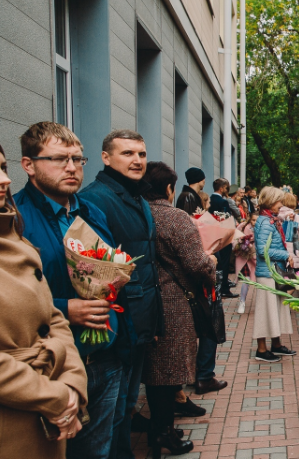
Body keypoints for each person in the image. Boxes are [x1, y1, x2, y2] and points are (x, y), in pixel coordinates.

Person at [14, 122, 126, 459]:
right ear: (28, 165)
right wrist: (65, 308)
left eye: (78, 159)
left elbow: (107, 271)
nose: (71, 167)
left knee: (98, 452)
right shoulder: (16, 218)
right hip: (53, 364)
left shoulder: (91, 211)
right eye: (59, 159)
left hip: (105, 355)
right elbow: (13, 297)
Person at [78, 130, 164, 459]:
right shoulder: (96, 198)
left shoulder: (138, 197)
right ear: (106, 157)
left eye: (141, 154)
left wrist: (153, 324)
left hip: (140, 321)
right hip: (117, 323)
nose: (137, 160)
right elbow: (99, 273)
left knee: (127, 407)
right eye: (127, 153)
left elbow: (147, 265)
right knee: (112, 416)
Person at [0, 143, 89, 458]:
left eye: (2, 168)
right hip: (14, 417)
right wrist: (55, 397)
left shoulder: (17, 238)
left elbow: (52, 319)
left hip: (53, 398)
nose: (4, 180)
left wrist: (72, 383)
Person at [142, 162, 216, 457]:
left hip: (146, 298)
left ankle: (162, 428)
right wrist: (210, 262)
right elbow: (195, 263)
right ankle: (163, 433)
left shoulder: (137, 213)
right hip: (174, 301)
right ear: (169, 189)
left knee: (155, 370)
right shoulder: (174, 217)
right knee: (168, 371)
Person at [253, 187, 296, 363]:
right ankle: (261, 350)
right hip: (267, 272)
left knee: (275, 308)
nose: (281, 204)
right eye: (279, 201)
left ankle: (276, 345)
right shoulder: (265, 222)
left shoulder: (270, 220)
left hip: (273, 271)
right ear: (271, 201)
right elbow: (263, 251)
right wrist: (286, 255)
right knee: (265, 311)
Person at [208, 178, 240, 298]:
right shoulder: (223, 202)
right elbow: (227, 220)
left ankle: (217, 286)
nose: (228, 190)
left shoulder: (209, 200)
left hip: (211, 235)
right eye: (227, 188)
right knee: (225, 263)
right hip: (223, 235)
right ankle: (224, 288)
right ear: (221, 188)